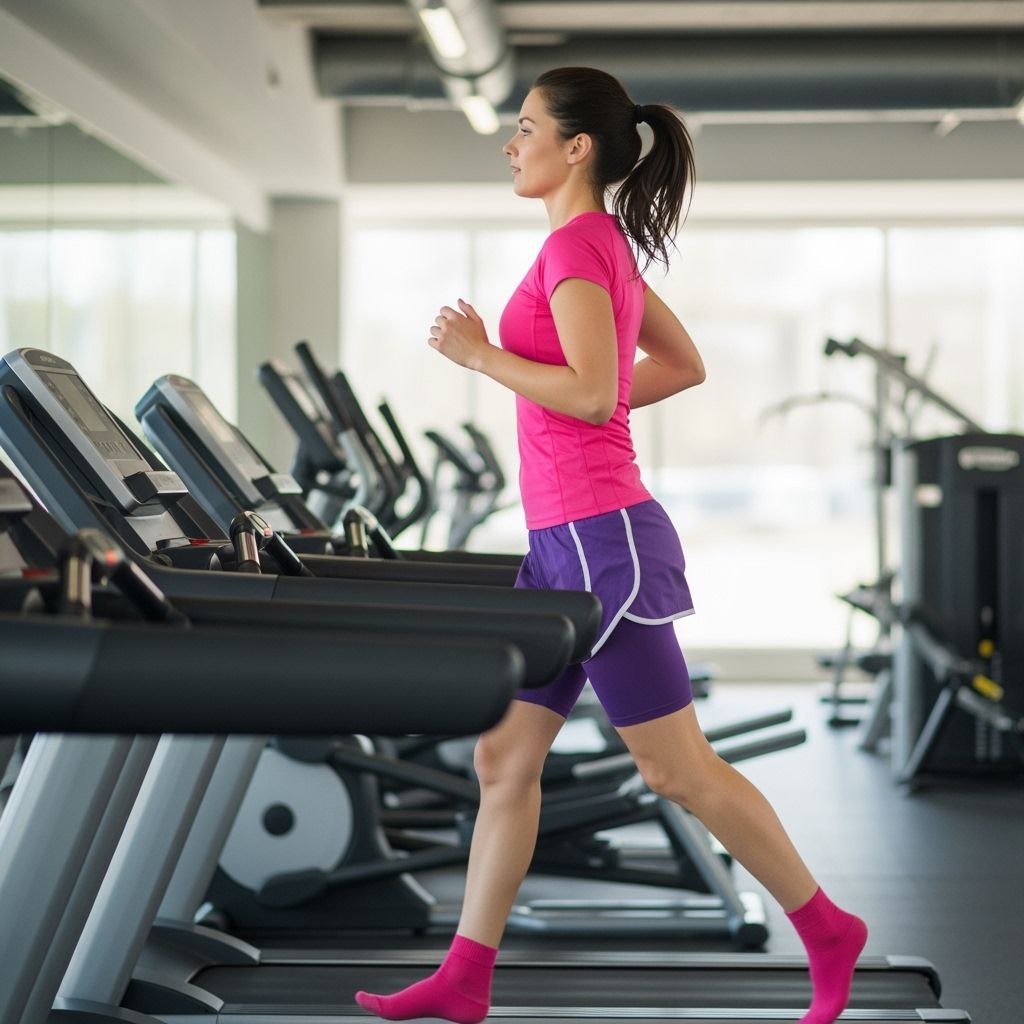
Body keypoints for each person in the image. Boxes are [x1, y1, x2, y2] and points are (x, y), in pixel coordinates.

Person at [356, 66, 867, 1024]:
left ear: (575, 146)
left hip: (601, 541)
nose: (511, 145)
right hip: (564, 541)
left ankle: (829, 926)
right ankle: (465, 979)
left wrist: (482, 358)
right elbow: (679, 366)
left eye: (524, 127)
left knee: (677, 770)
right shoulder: (592, 245)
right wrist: (572, 400)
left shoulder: (580, 250)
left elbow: (595, 394)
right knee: (504, 762)